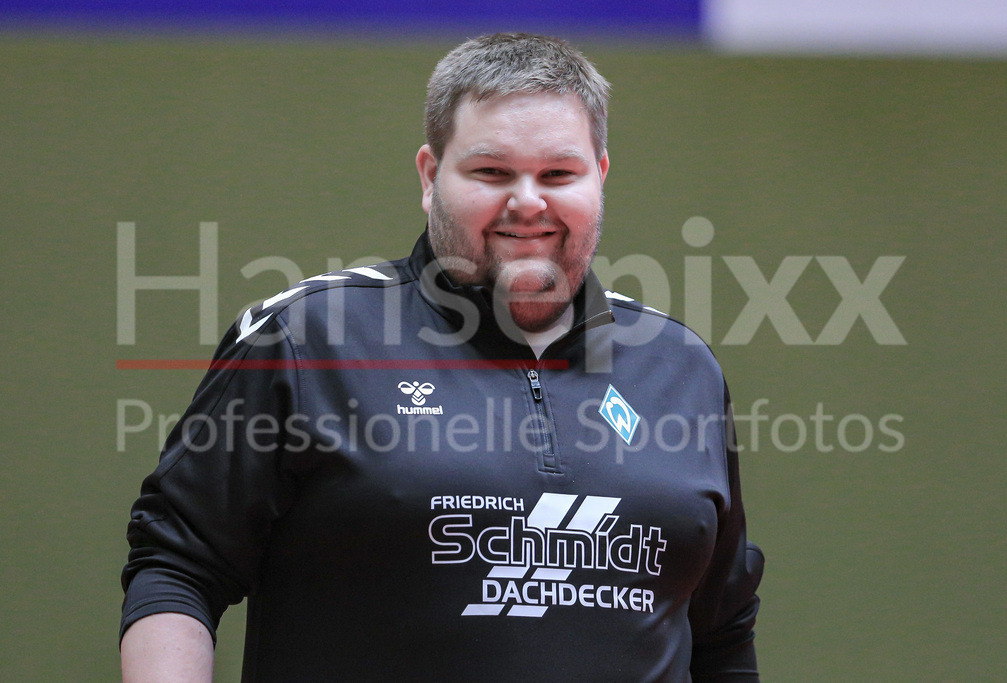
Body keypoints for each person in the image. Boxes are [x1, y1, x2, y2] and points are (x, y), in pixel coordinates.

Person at [120, 32, 763, 681]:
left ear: (599, 176)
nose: (528, 201)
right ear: (430, 177)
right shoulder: (307, 338)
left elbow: (723, 631)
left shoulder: (682, 367)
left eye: (558, 174)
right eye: (492, 172)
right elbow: (178, 567)